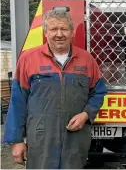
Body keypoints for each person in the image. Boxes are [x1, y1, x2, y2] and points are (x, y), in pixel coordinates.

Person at [3, 10, 107, 169]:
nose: (59, 34)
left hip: (75, 139)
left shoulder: (87, 59)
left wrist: (86, 114)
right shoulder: (28, 59)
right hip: (41, 139)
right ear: (45, 32)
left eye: (64, 29)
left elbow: (98, 92)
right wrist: (15, 141)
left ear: (72, 32)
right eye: (53, 29)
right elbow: (18, 102)